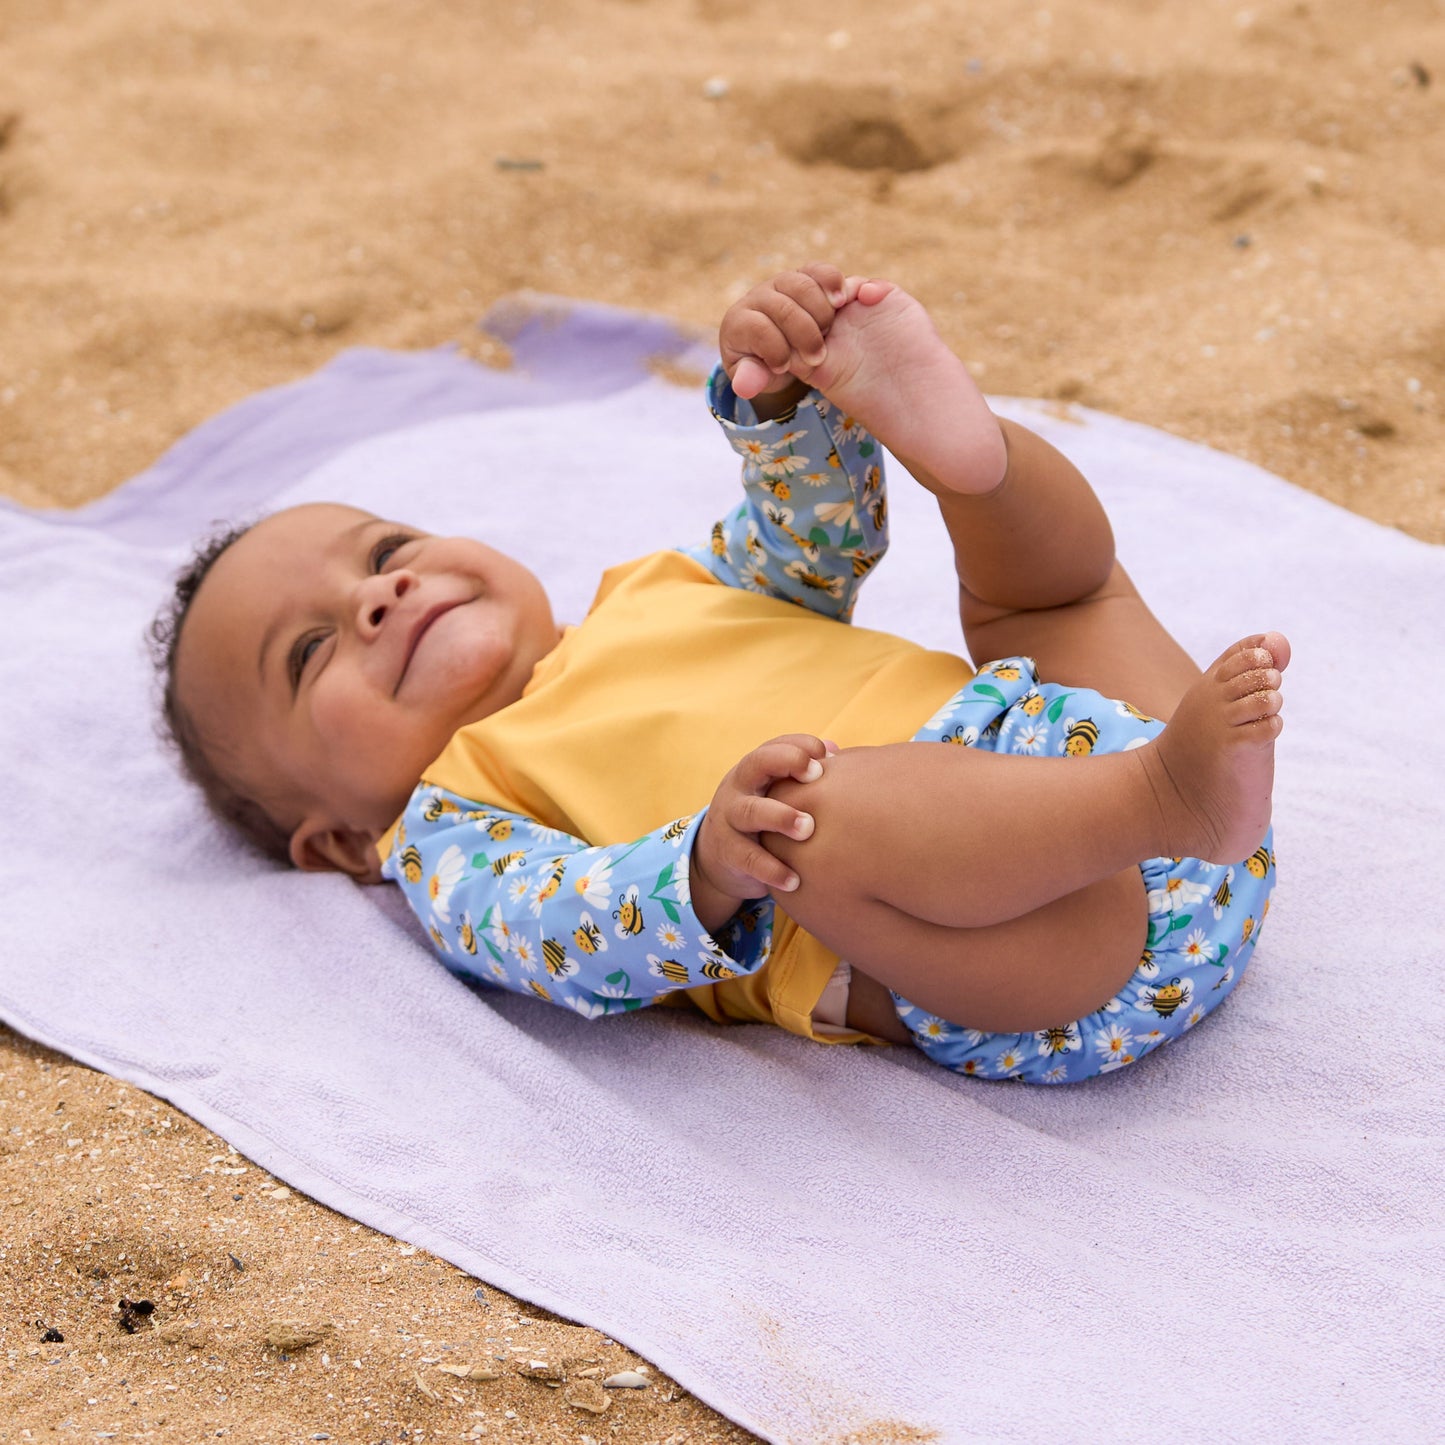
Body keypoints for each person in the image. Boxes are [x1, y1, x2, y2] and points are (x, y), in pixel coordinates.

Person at [151, 263, 1285, 1083]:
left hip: (1133, 778)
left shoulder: (653, 591)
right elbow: (562, 931)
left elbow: (813, 542)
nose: (379, 596)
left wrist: (782, 410)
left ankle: (969, 459)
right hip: (1051, 950)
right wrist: (703, 861)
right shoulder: (449, 826)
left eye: (385, 551)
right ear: (341, 843)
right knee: (807, 822)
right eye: (309, 651)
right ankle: (1159, 795)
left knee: (1050, 597)